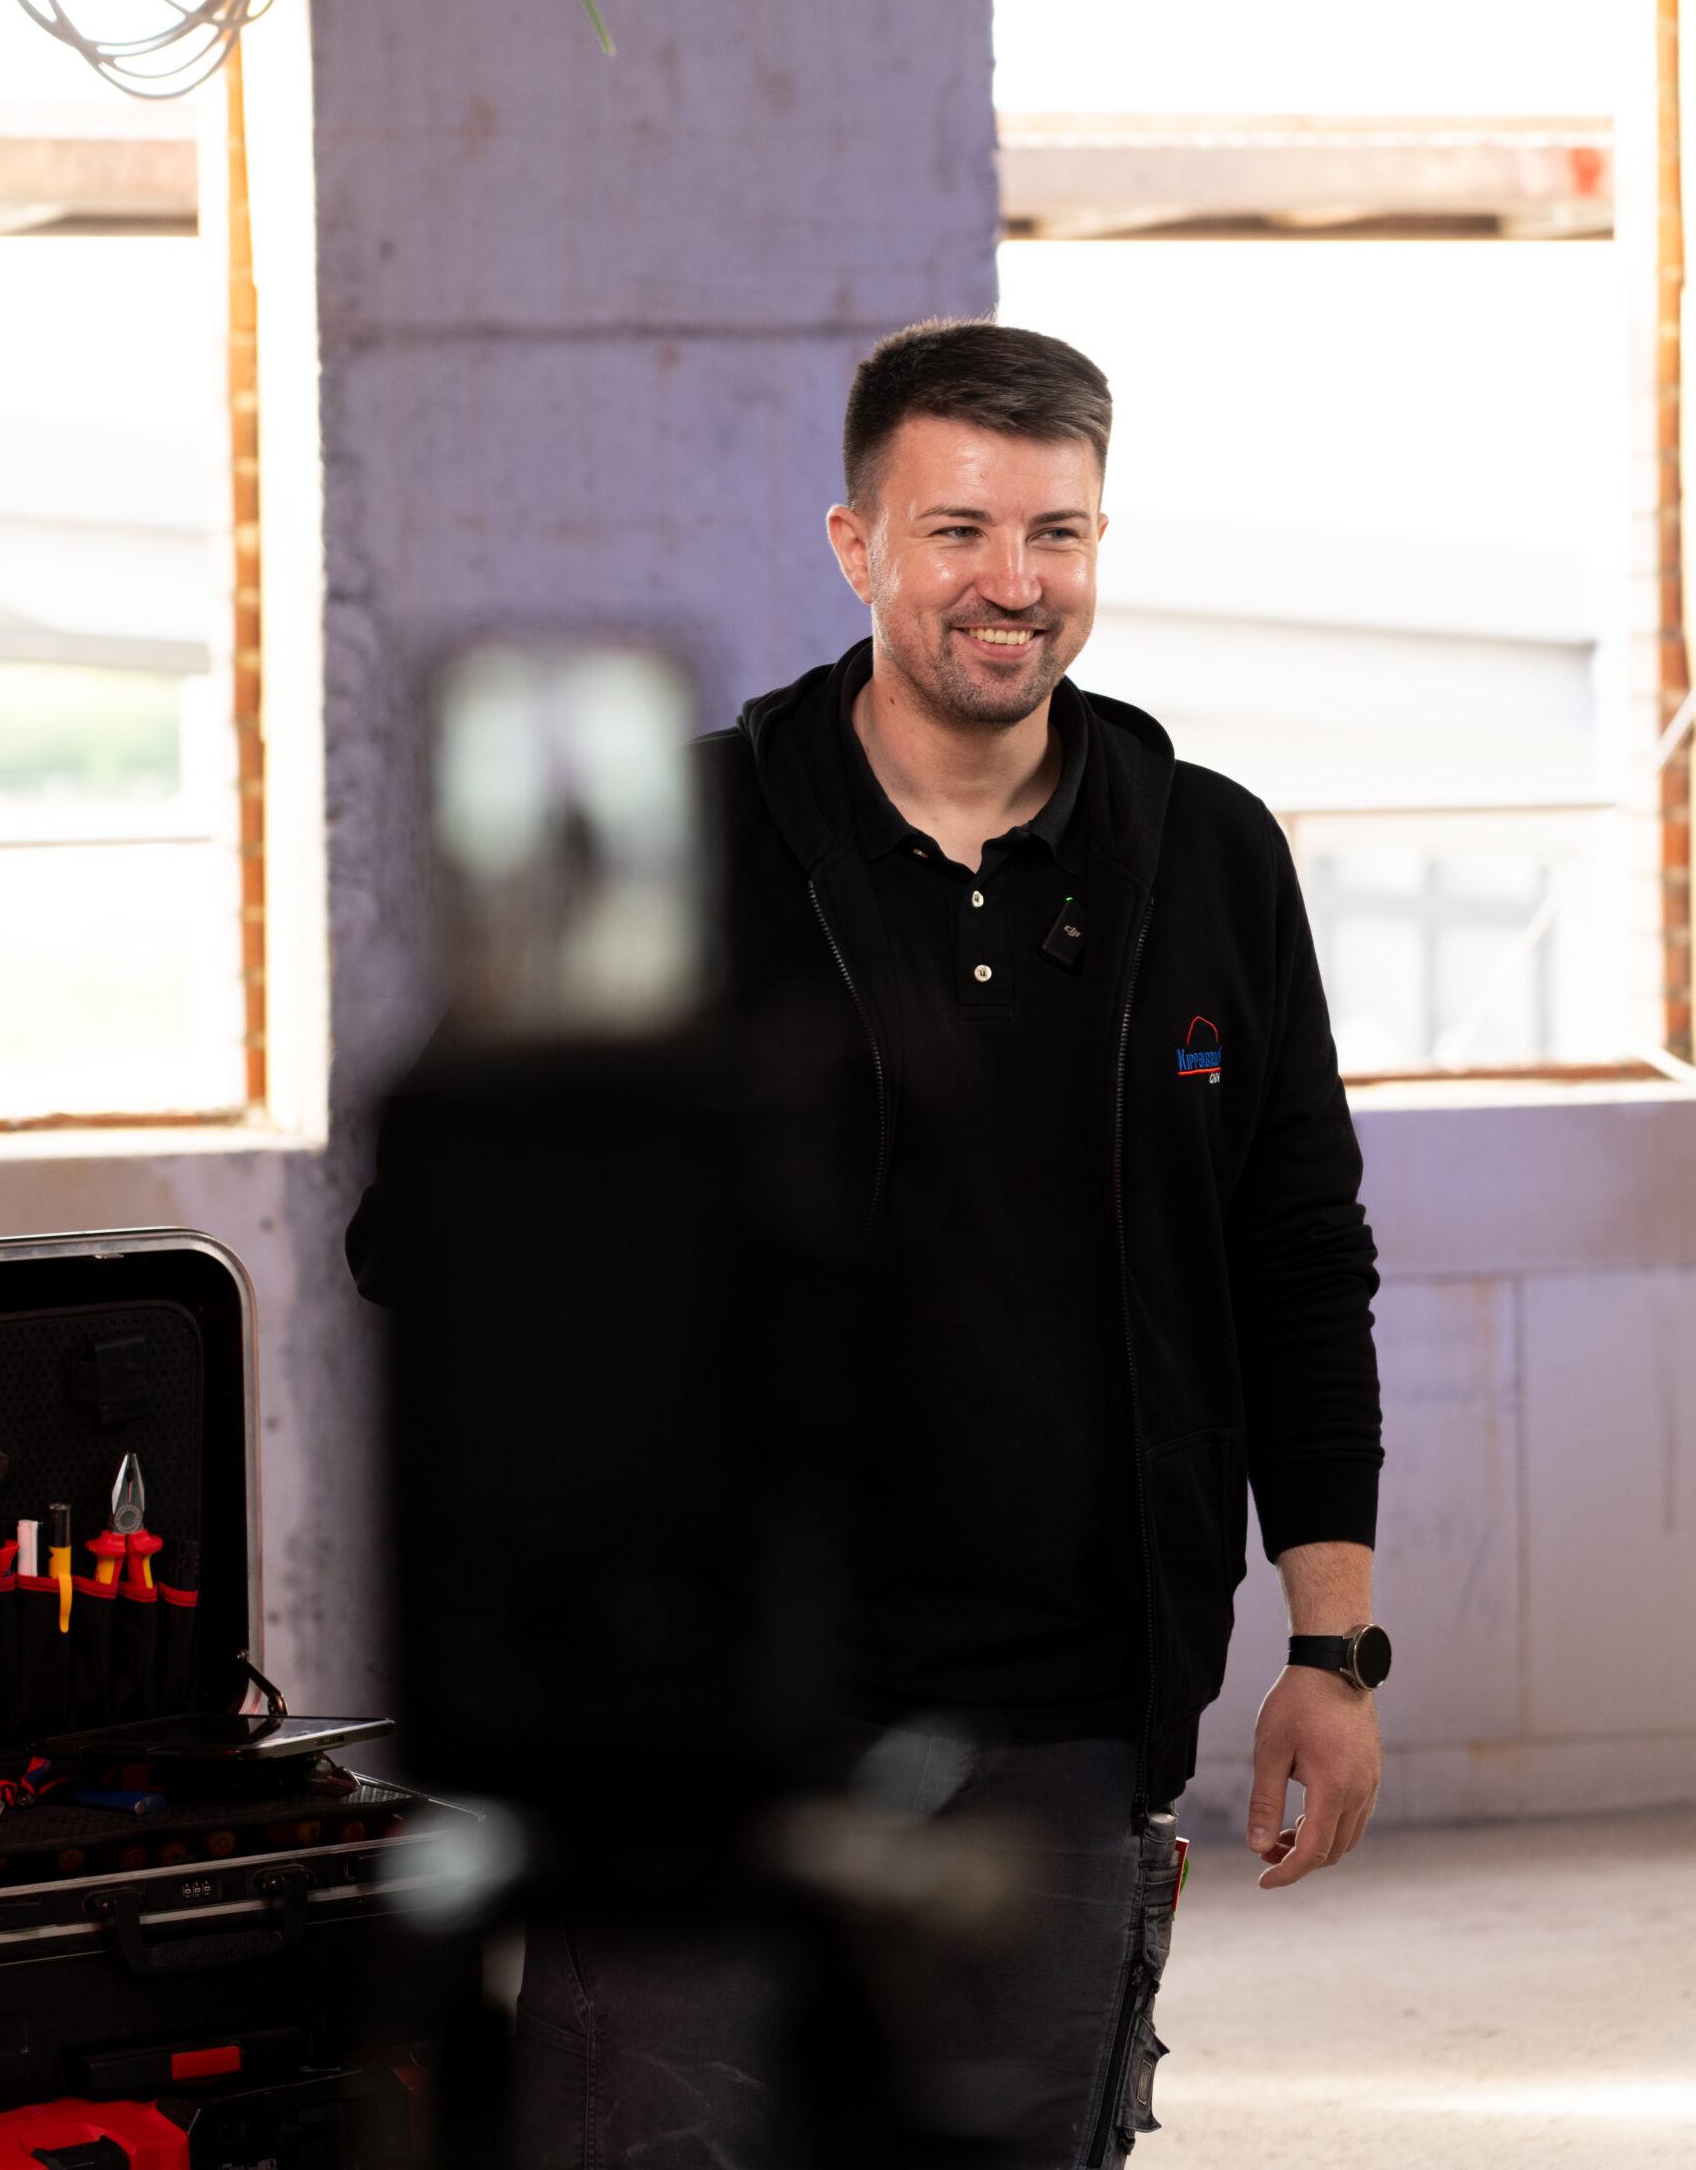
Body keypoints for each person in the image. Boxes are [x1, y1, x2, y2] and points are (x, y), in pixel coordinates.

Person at [355, 319, 1386, 2169]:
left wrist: (1335, 1647)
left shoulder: (1213, 855)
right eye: (958, 530)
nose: (1013, 583)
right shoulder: (673, 838)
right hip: (707, 1720)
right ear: (857, 546)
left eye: (1056, 533)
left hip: (1069, 1712)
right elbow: (425, 1240)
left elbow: (1299, 1257)